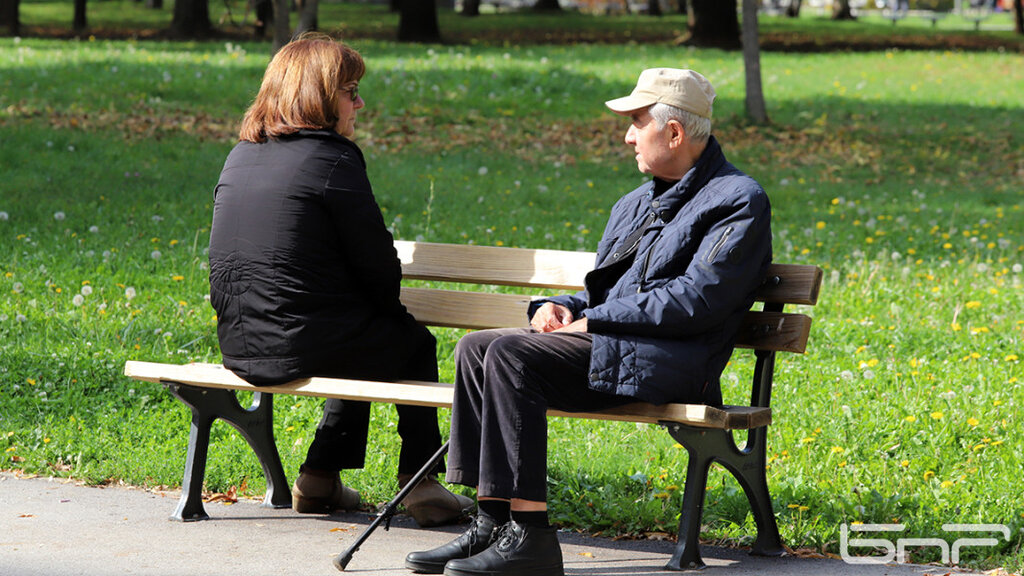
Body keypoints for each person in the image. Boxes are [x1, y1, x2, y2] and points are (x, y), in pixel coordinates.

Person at [405, 68, 773, 576]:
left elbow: (696, 301)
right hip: (619, 348)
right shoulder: (636, 202)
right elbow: (605, 292)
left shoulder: (738, 200)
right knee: (477, 347)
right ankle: (492, 522)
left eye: (636, 122)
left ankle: (531, 536)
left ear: (674, 132)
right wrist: (563, 308)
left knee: (511, 354)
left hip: (678, 362)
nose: (626, 136)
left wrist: (594, 321)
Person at [207, 34, 473, 528]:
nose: (360, 102)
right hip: (298, 342)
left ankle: (319, 477)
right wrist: (388, 311)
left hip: (238, 342)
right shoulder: (332, 159)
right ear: (320, 97)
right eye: (350, 91)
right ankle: (423, 484)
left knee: (359, 338)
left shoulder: (242, 153)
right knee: (408, 343)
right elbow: (376, 264)